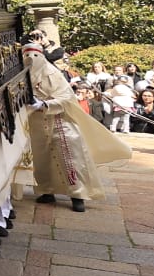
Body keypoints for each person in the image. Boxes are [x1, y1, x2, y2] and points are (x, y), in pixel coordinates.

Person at [24, 41, 131, 212]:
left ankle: (77, 194)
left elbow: (67, 98)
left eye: (35, 55)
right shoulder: (23, 74)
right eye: (27, 55)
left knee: (70, 158)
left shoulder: (53, 74)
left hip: (60, 120)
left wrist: (46, 104)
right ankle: (46, 190)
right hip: (36, 123)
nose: (31, 59)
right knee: (41, 159)